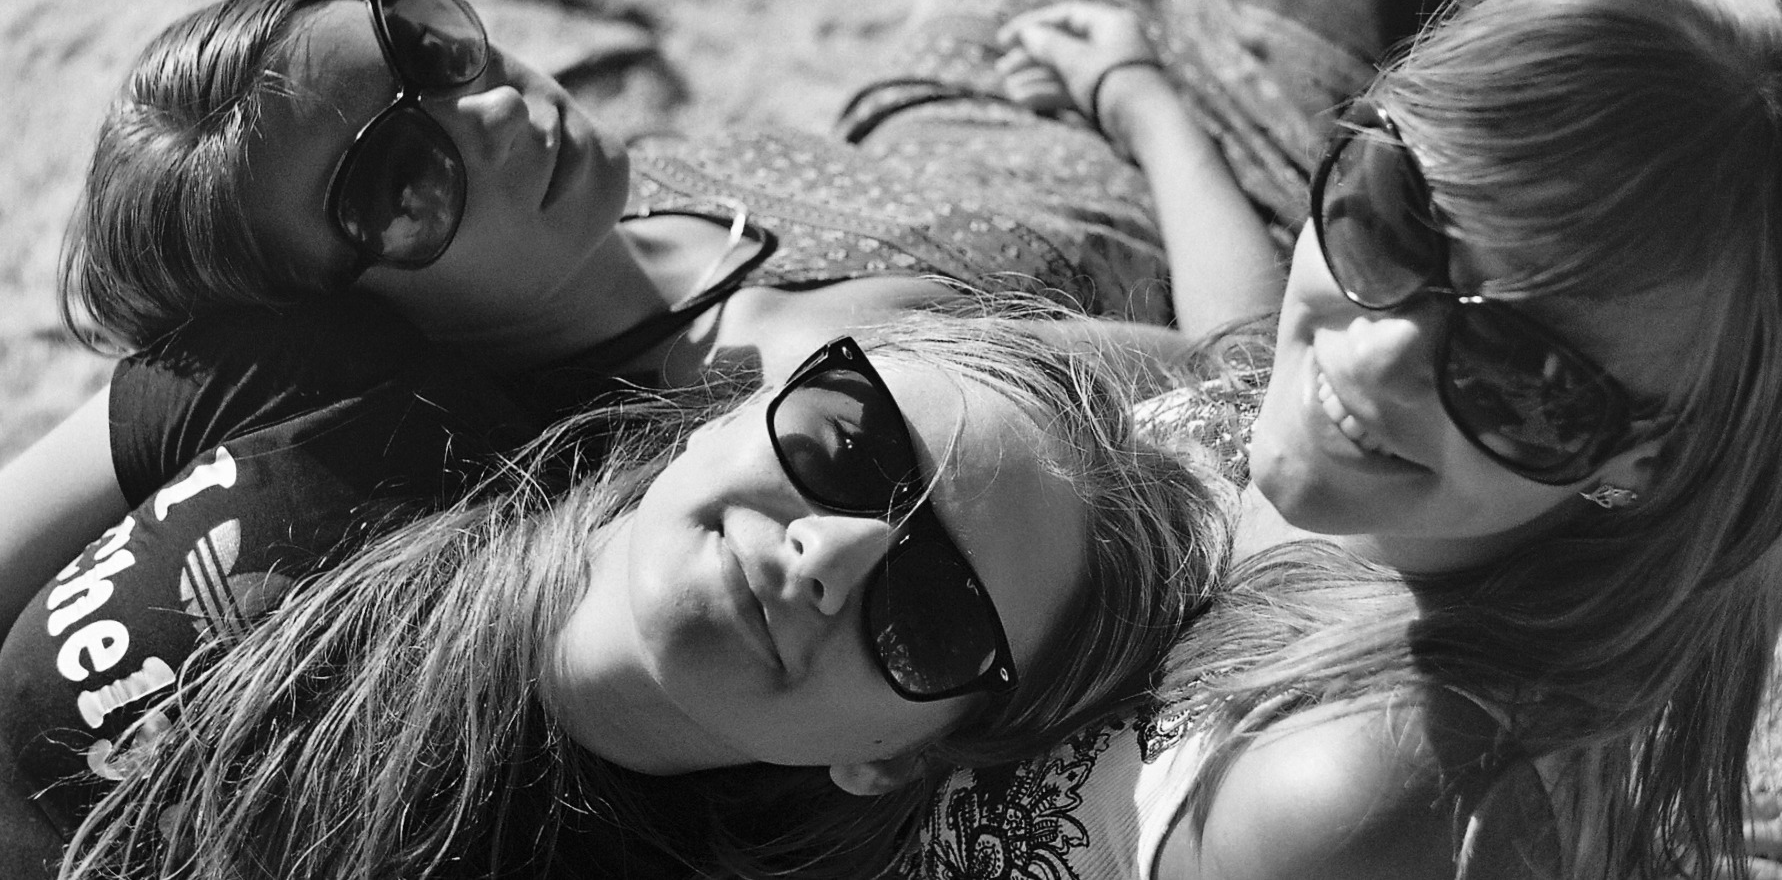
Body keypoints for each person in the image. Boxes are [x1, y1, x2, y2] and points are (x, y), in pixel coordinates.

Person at [830, 0, 1782, 877]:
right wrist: (1148, 109)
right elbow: (1241, 358)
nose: (1380, 350)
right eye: (1393, 217)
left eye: (1523, 376)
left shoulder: (1357, 797)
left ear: (1646, 462)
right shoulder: (1378, 515)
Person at [16, 307, 1225, 880]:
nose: (831, 553)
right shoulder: (350, 399)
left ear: (891, 760)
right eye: (848, 443)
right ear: (736, 409)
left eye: (932, 618)